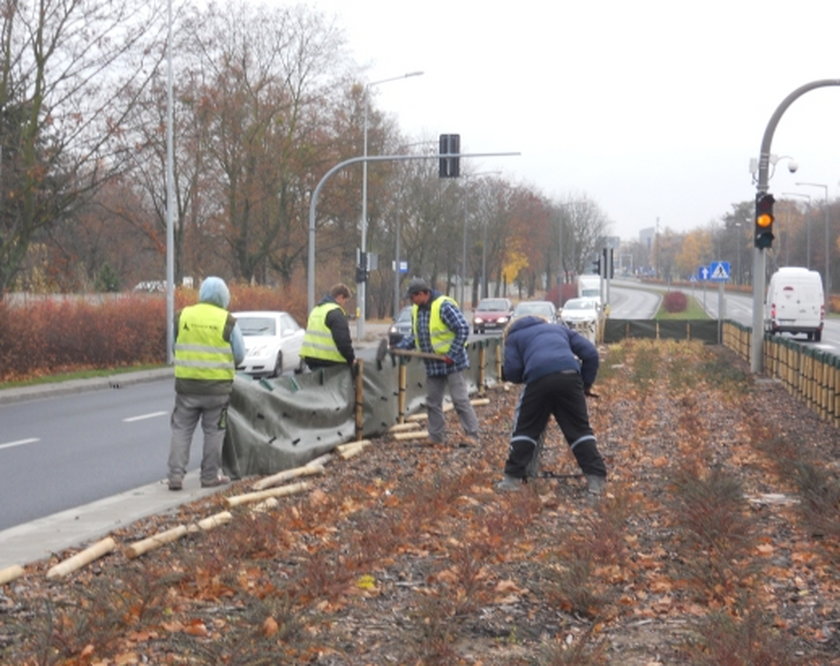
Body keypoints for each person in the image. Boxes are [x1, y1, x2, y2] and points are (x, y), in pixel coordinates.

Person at [496, 314, 607, 495]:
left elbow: (513, 372)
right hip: (570, 377)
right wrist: (585, 385)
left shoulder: (514, 338)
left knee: (526, 429)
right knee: (579, 430)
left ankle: (512, 480)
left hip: (538, 380)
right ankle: (596, 480)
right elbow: (591, 354)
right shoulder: (559, 329)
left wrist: (528, 367)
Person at [168, 276, 245, 491]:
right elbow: (239, 355)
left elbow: (175, 347)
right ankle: (209, 476)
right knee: (214, 431)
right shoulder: (227, 320)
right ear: (224, 296)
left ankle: (175, 475)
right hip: (217, 389)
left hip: (186, 386)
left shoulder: (182, 316)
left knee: (181, 429)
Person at [394, 278, 480, 446]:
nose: (411, 301)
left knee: (459, 400)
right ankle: (435, 437)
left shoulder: (443, 306)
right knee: (433, 402)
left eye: (413, 297)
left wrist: (452, 353)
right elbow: (416, 336)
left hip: (452, 362)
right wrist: (401, 347)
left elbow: (462, 328)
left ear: (423, 294)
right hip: (432, 364)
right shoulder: (416, 311)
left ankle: (472, 435)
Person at [300, 283, 356, 370]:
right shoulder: (336, 313)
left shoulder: (316, 310)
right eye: (345, 301)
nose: (344, 304)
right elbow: (343, 341)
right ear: (340, 297)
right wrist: (351, 359)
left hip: (311, 357)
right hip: (330, 360)